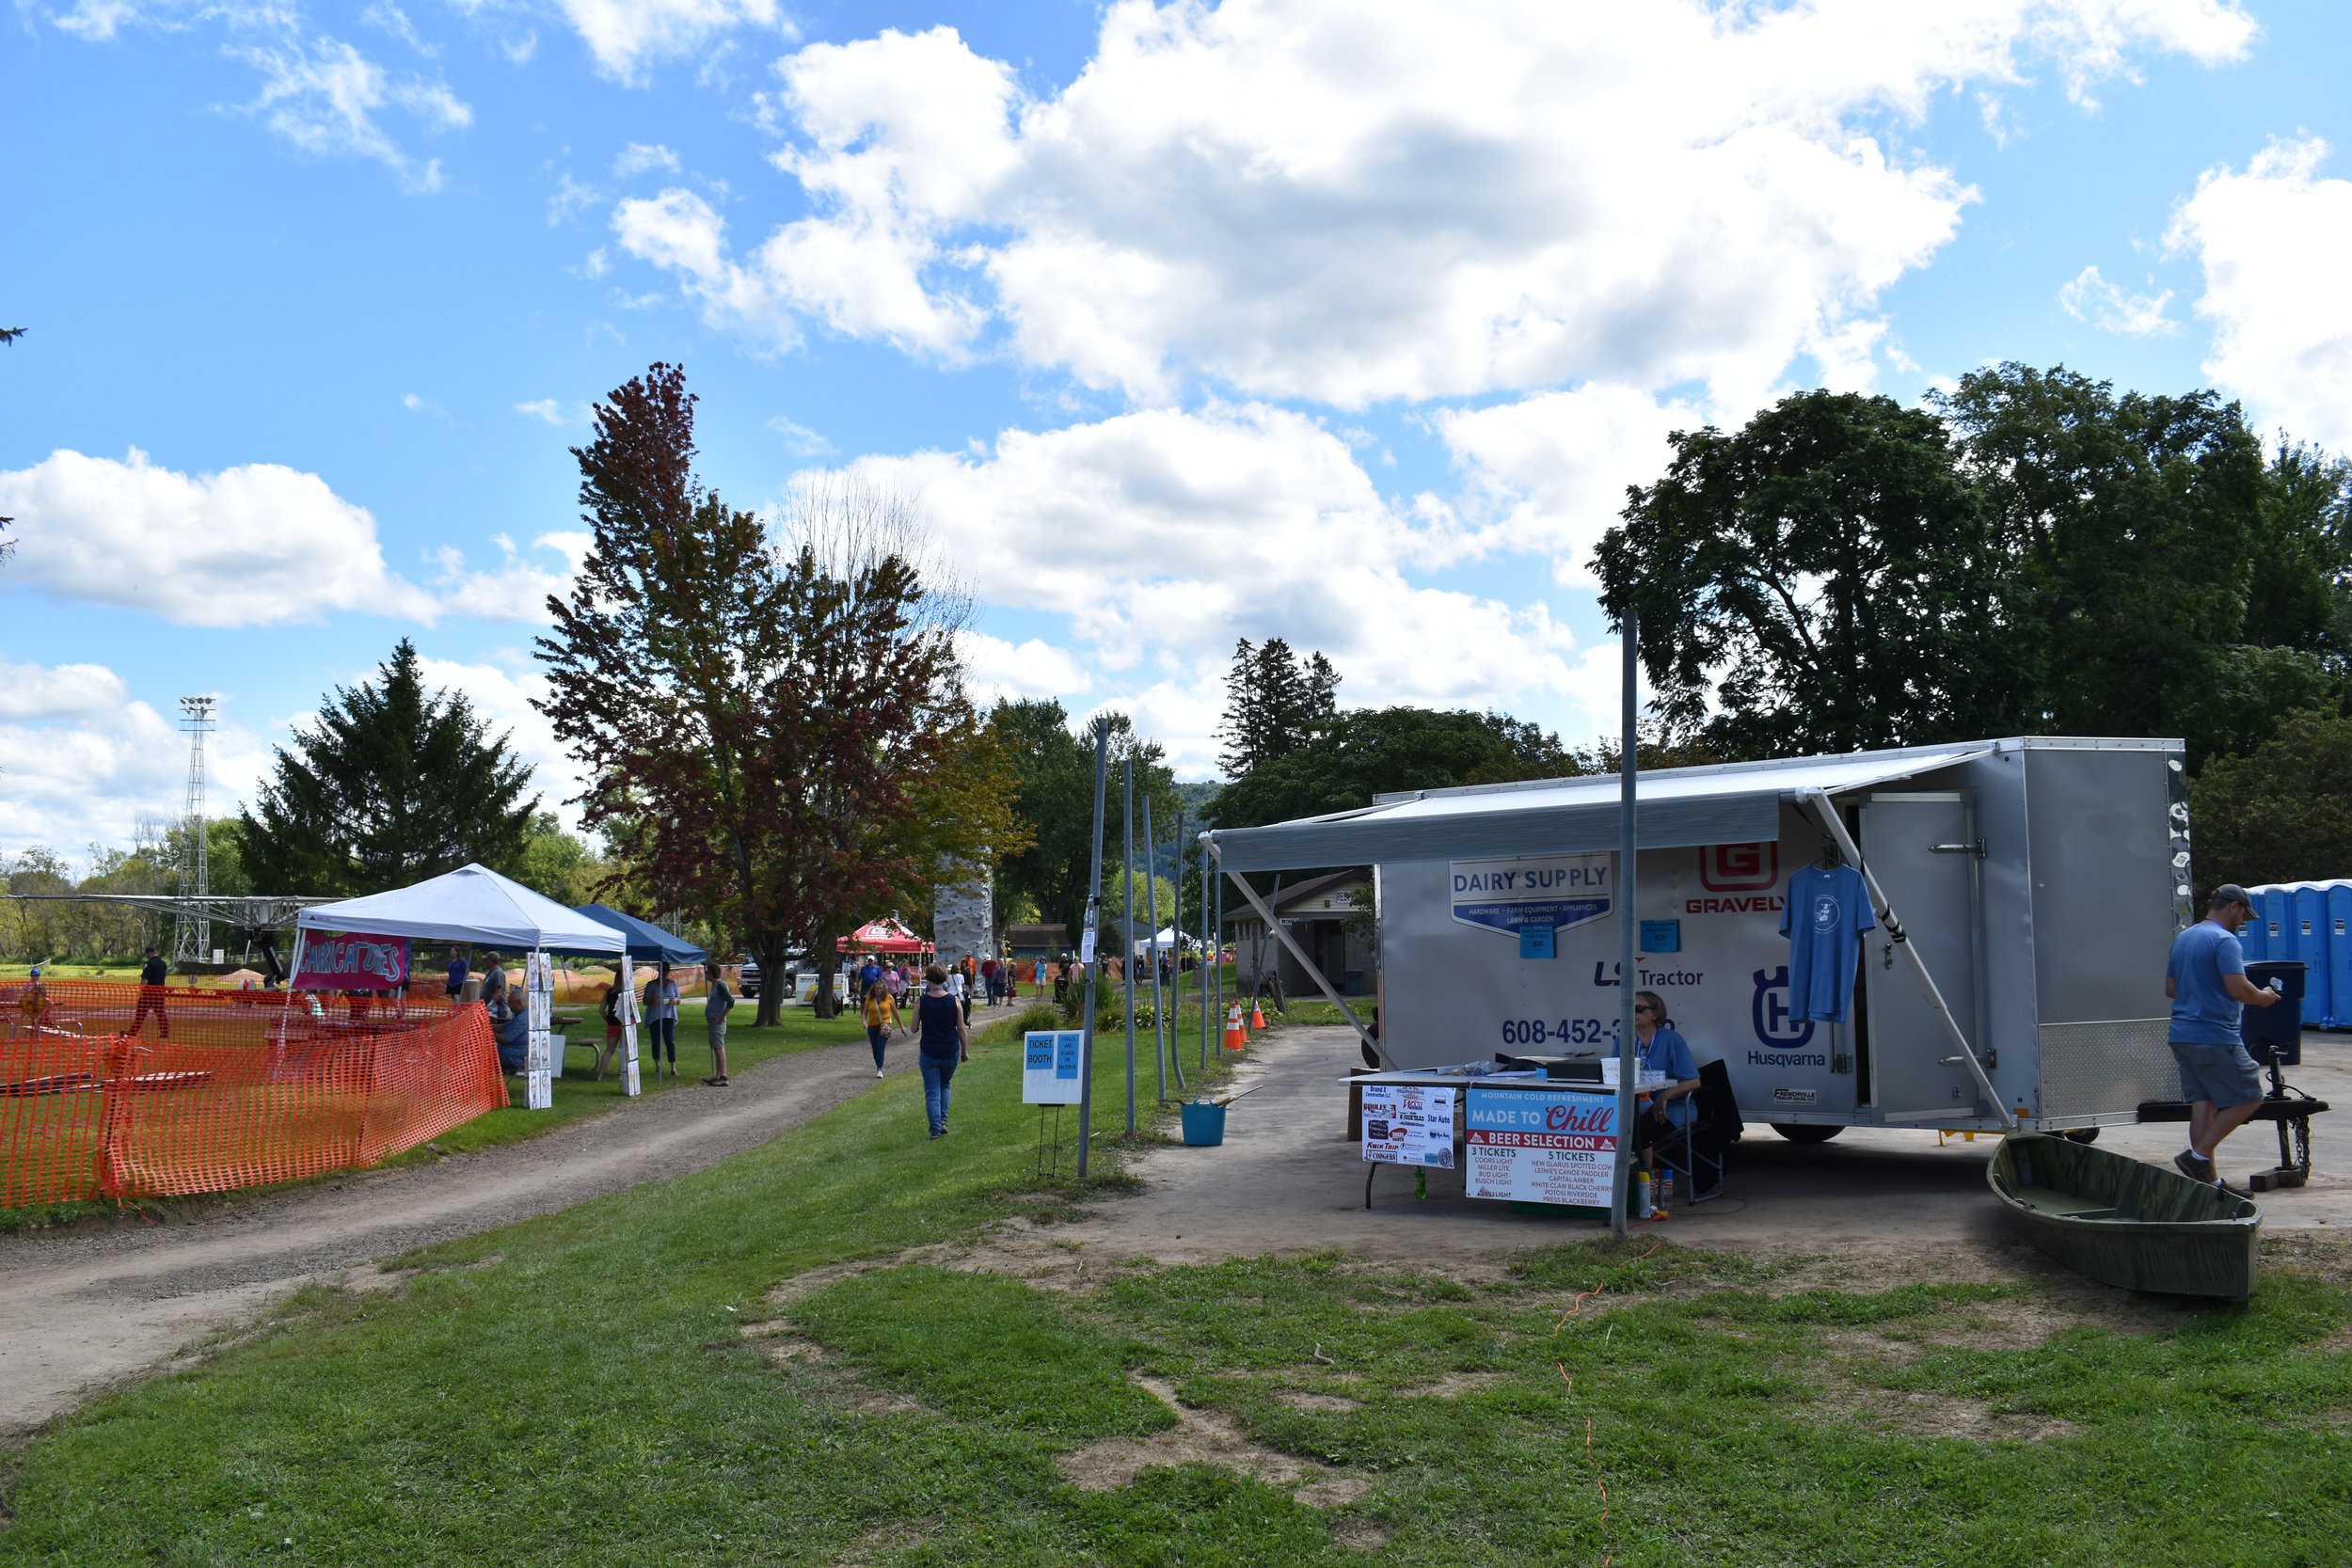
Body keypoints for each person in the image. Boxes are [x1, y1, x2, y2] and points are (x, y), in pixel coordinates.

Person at [2165, 884, 2281, 1186]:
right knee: (2249, 1097)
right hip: (2214, 1035)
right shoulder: (2223, 940)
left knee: (2204, 1102)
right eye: (2244, 914)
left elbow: (2171, 989)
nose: (2242, 921)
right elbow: (2238, 989)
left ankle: (2208, 1183)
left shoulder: (2184, 939)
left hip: (2182, 1035)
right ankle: (2198, 1156)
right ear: (2234, 906)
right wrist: (2264, 996)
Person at [1629, 990, 1702, 1171]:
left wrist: (1665, 1096)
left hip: (1672, 1107)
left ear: (1655, 1014)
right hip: (1635, 1106)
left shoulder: (1672, 1040)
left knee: (1639, 1133)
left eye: (1639, 1008)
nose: (1633, 1012)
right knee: (1613, 1131)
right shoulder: (1623, 1040)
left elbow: (1694, 1081)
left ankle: (1643, 1186)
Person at [914, 963, 970, 1138]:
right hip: (950, 1049)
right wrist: (965, 1051)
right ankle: (943, 1121)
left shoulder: (922, 1001)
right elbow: (961, 1028)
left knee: (932, 1091)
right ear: (944, 978)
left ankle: (935, 1130)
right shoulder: (953, 1001)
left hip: (929, 1049)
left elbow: (914, 1028)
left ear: (928, 978)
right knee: (945, 1085)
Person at [642, 962, 680, 1081]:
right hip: (655, 1016)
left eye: (667, 970)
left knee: (670, 1041)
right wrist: (652, 999)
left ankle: (673, 1067)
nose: (665, 972)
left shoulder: (672, 983)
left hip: (668, 1015)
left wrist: (675, 1000)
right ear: (659, 970)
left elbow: (679, 999)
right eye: (663, 970)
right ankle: (658, 1066)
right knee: (656, 1041)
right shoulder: (651, 985)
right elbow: (644, 1001)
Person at [703, 962, 735, 1087]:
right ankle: (717, 1075)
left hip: (717, 1021)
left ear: (712, 973)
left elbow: (731, 1001)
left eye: (707, 972)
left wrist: (722, 1016)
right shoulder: (716, 985)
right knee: (716, 1047)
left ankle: (723, 1076)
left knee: (719, 1048)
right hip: (713, 1020)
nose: (706, 974)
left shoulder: (720, 985)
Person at [862, 977, 899, 1078]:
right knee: (875, 1049)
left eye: (880, 989)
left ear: (884, 989)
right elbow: (864, 1013)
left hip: (885, 1026)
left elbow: (895, 1012)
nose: (878, 991)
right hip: (872, 1026)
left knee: (880, 1046)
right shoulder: (869, 998)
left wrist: (901, 1025)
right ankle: (879, 1065)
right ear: (874, 989)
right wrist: (864, 1021)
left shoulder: (889, 998)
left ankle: (879, 1069)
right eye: (877, 988)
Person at [134, 943, 171, 1039]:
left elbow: (145, 978)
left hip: (149, 992)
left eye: (147, 954)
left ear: (149, 953)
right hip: (160, 991)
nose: (146, 956)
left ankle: (133, 1032)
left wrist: (141, 991)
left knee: (141, 1013)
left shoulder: (149, 964)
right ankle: (165, 1032)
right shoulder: (164, 964)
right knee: (160, 1013)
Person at [495, 984, 531, 1074]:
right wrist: (485, 1025)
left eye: (510, 1002)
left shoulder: (522, 1019)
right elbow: (504, 1027)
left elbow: (505, 1039)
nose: (508, 1005)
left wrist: (485, 1033)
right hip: (512, 1054)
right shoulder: (521, 1015)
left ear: (519, 1003)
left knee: (481, 1056)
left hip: (514, 1058)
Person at [595, 980, 626, 1080]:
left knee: (609, 1050)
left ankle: (600, 1075)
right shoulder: (625, 991)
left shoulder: (609, 992)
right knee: (623, 1049)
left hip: (612, 1023)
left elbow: (601, 1009)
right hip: (624, 1022)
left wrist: (608, 1019)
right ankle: (621, 1074)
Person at [479, 952, 509, 1022]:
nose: (484, 962)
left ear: (491, 960)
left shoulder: (497, 973)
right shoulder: (491, 972)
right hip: (491, 1009)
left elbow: (498, 991)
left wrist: (490, 1005)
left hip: (497, 1010)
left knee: (494, 1030)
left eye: (486, 960)